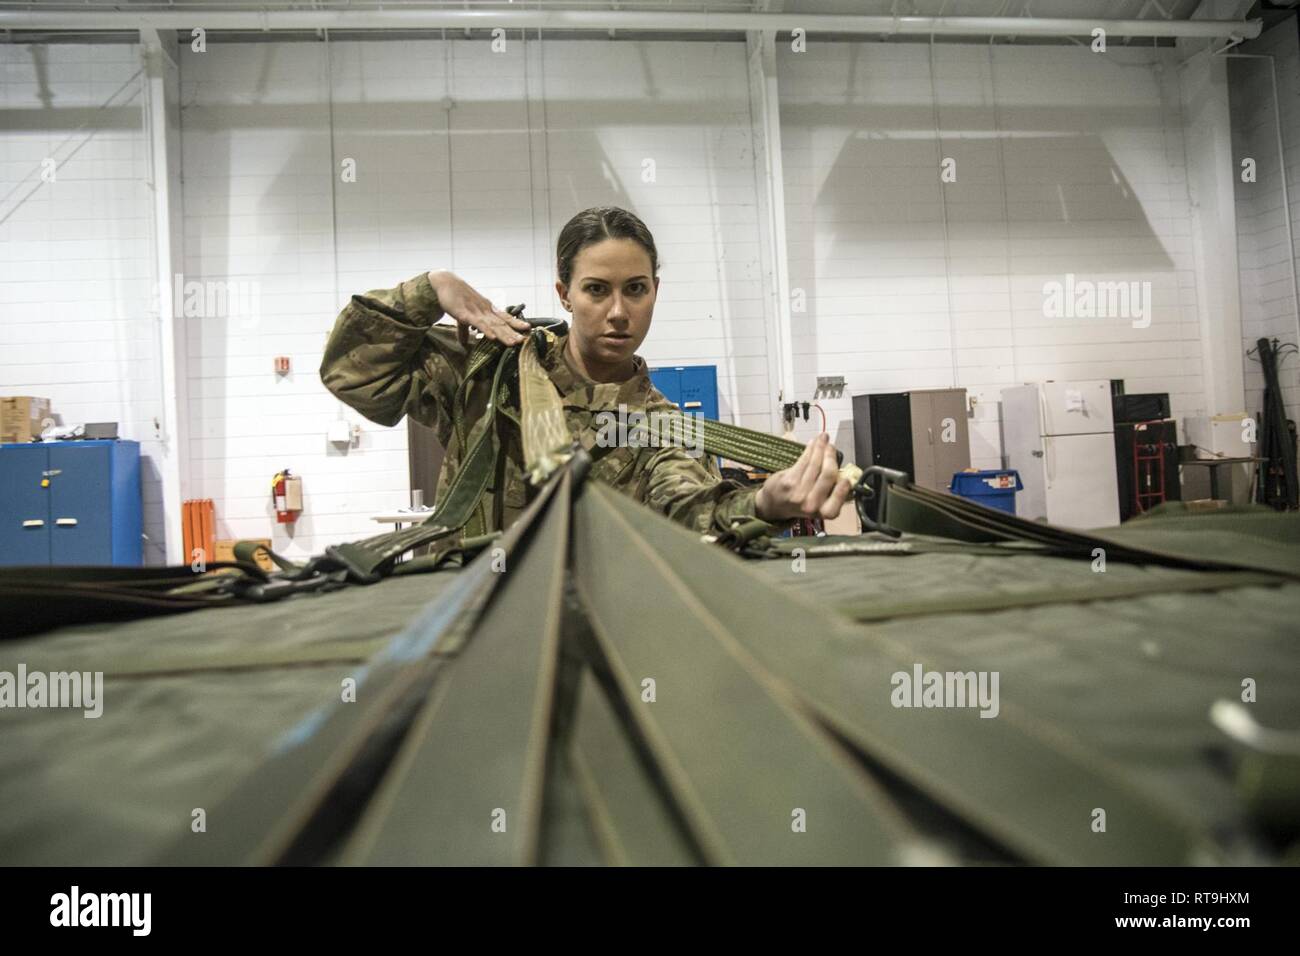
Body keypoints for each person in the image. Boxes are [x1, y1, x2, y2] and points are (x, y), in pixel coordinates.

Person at [320, 205, 852, 537]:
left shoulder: (657, 423)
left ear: (655, 293)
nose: (618, 311)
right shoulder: (493, 369)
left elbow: (684, 505)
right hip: (470, 621)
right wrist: (429, 289)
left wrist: (762, 501)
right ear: (565, 295)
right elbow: (352, 373)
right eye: (597, 289)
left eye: (635, 289)